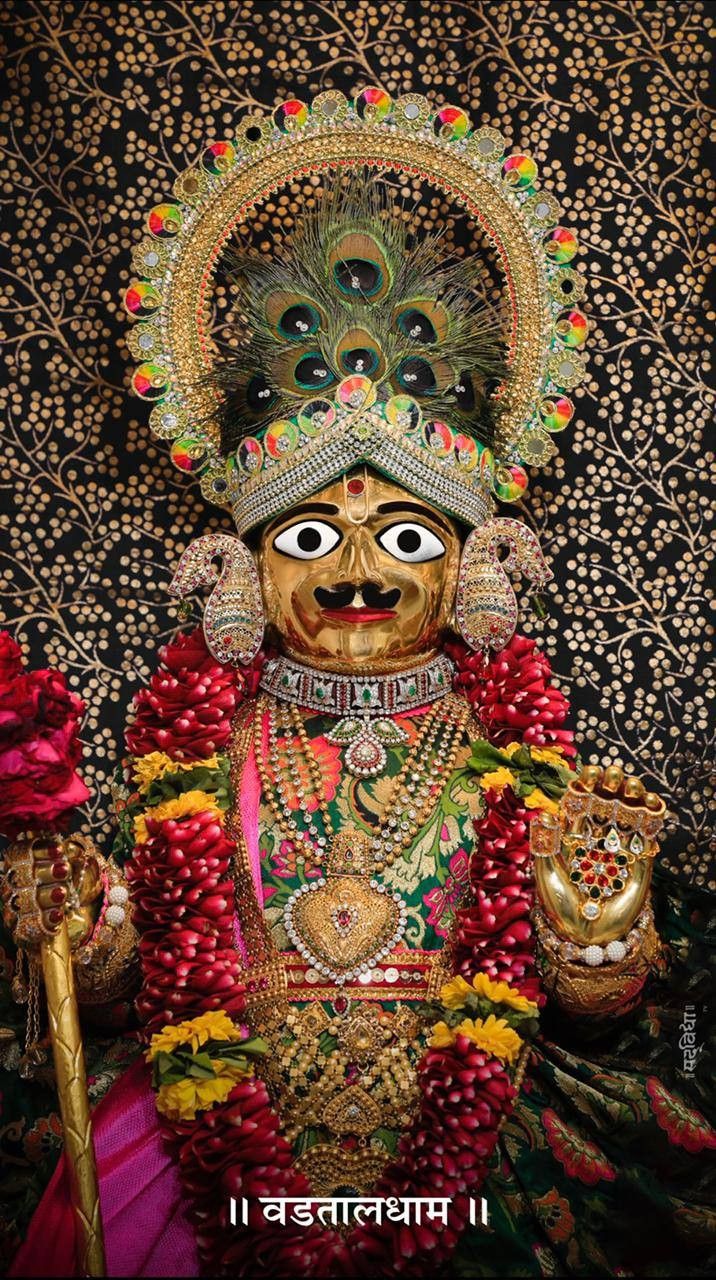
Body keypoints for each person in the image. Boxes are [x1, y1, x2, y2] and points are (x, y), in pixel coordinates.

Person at [4, 87, 714, 1278]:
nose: (350, 571)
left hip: (480, 1148)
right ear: (239, 564)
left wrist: (595, 942)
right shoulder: (205, 738)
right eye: (306, 538)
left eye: (400, 538)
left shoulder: (511, 743)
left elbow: (615, 1007)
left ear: (471, 561)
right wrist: (83, 918)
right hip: (207, 1145)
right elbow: (134, 981)